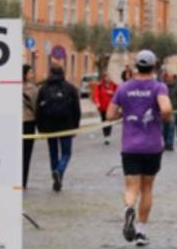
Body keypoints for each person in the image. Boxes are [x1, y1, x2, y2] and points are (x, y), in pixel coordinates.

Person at [106, 50, 172, 247]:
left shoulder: (124, 88)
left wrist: (124, 115)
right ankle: (141, 231)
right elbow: (167, 109)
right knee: (147, 188)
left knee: (131, 187)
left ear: (136, 66)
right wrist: (165, 117)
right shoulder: (158, 87)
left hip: (130, 146)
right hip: (152, 146)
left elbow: (110, 115)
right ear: (153, 66)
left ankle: (128, 209)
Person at [35, 64, 81, 192]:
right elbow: (76, 110)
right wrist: (76, 127)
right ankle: (59, 171)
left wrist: (40, 128)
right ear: (63, 73)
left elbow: (38, 110)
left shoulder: (43, 89)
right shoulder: (70, 88)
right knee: (66, 153)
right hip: (67, 126)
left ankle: (56, 179)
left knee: (53, 153)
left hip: (50, 127)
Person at [22, 64, 38, 189]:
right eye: (31, 72)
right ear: (25, 74)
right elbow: (36, 106)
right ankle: (23, 182)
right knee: (26, 154)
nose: (33, 75)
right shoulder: (31, 88)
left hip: (14, 123)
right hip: (28, 122)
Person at [92, 73, 118, 145]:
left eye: (109, 77)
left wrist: (112, 93)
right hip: (102, 107)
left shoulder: (114, 85)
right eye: (107, 77)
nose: (109, 78)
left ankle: (108, 136)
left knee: (109, 121)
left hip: (111, 107)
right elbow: (96, 95)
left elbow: (118, 94)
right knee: (103, 121)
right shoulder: (99, 86)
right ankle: (105, 135)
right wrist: (97, 103)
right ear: (104, 78)